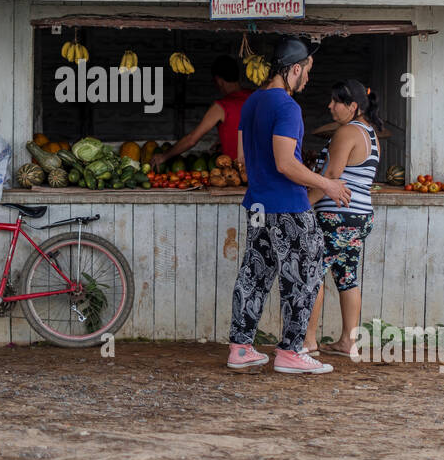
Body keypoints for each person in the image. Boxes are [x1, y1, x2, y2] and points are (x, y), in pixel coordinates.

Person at [226, 38, 351, 374]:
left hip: (257, 205)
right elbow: (285, 163)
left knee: (254, 274)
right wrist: (328, 184)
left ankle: (240, 348)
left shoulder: (252, 102)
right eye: (307, 72)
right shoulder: (286, 107)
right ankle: (291, 352)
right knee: (305, 276)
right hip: (288, 208)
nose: (307, 80)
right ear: (295, 69)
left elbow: (241, 157)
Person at [302, 79, 382, 360]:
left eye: (336, 102)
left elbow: (331, 177)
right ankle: (349, 342)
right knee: (347, 277)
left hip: (338, 217)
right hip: (358, 216)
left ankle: (308, 340)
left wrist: (302, 206)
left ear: (353, 106)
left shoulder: (348, 131)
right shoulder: (368, 132)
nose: (330, 106)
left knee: (314, 272)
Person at [151, 55, 249, 168]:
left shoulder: (221, 106)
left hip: (234, 173)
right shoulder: (256, 96)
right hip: (259, 172)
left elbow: (192, 139)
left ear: (219, 81)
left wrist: (164, 156)